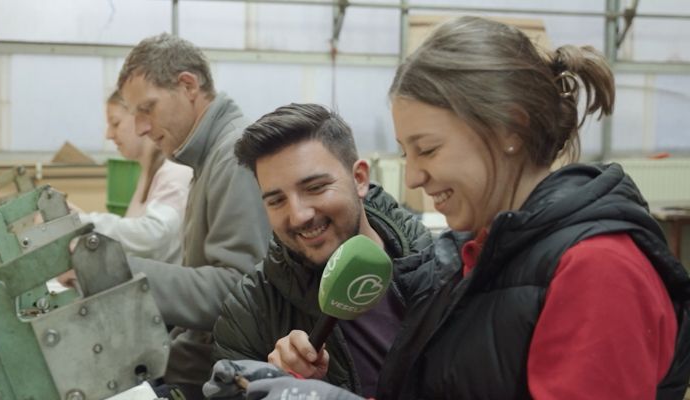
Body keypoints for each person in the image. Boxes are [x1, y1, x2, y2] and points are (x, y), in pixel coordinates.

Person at [206, 16, 690, 400]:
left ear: (510, 130)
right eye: (406, 152)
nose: (413, 176)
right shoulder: (478, 253)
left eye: (428, 149)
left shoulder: (597, 269)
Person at [208, 103, 463, 398]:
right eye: (276, 201)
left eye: (315, 187)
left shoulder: (448, 271)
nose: (299, 215)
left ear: (359, 179)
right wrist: (280, 387)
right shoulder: (250, 311)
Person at [67, 34, 271, 399]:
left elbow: (237, 290)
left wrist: (109, 270)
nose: (142, 127)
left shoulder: (232, 157)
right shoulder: (205, 157)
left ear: (188, 85)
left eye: (148, 108)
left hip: (212, 379)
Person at [75, 90, 192, 264]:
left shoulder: (176, 170)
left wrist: (83, 222)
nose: (109, 134)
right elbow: (132, 237)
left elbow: (153, 235)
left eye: (115, 123)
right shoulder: (147, 173)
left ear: (141, 120)